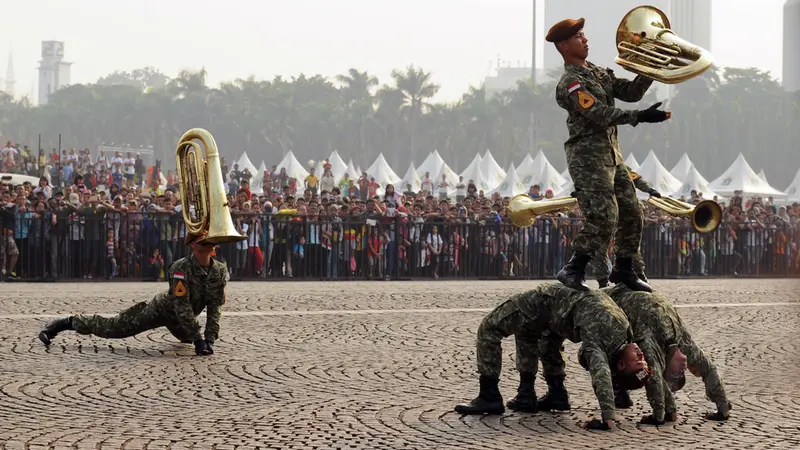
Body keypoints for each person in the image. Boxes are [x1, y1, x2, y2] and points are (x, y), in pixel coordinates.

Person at [546, 17, 670, 292]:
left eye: (584, 33)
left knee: (632, 212)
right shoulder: (571, 82)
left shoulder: (598, 73)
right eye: (579, 36)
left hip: (612, 156)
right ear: (564, 45)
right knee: (604, 216)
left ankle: (624, 269)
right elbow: (599, 114)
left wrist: (651, 65)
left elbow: (632, 92)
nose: (585, 38)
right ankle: (573, 268)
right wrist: (641, 117)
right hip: (588, 158)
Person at [453, 282, 652, 430]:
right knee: (538, 336)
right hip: (561, 315)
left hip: (548, 301)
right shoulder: (628, 338)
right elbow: (654, 369)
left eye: (638, 361)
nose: (642, 355)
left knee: (489, 327)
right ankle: (542, 394)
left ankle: (489, 395)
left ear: (621, 366)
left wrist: (607, 417)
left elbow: (600, 372)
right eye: (643, 360)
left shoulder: (601, 342)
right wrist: (661, 411)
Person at [37, 230, 227, 356]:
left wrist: (209, 339)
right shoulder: (180, 268)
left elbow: (214, 306)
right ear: (193, 245)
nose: (208, 242)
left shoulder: (219, 270)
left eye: (210, 239)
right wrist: (199, 340)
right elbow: (182, 306)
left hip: (182, 321)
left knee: (187, 338)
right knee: (114, 328)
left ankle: (191, 336)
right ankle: (65, 323)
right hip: (160, 311)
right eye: (202, 240)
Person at [603, 284, 731, 424]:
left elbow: (653, 375)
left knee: (633, 364)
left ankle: (621, 392)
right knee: (633, 363)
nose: (683, 368)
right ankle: (621, 392)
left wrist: (660, 415)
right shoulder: (679, 340)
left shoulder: (672, 340)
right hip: (640, 300)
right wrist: (722, 405)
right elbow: (706, 368)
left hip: (640, 300)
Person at [587, 167, 661, 287]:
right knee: (600, 246)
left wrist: (650, 190)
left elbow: (636, 179)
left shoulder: (621, 167)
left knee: (628, 245)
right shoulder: (596, 169)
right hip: (606, 210)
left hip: (625, 211)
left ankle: (639, 273)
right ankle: (602, 281)